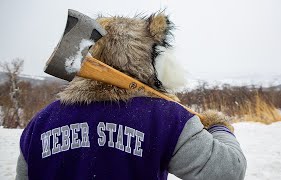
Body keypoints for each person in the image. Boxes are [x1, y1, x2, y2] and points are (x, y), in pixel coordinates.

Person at [16, 12, 246, 180]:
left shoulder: (40, 123)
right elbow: (228, 171)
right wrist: (218, 126)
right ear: (148, 57)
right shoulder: (165, 119)